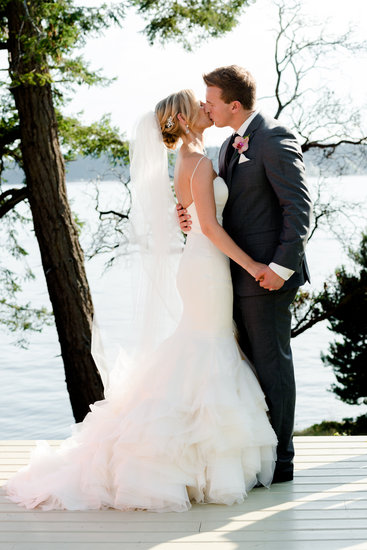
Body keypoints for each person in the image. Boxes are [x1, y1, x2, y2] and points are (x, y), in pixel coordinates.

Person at [5, 90, 277, 513]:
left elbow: (191, 217)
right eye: (198, 106)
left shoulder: (191, 160)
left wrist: (189, 222)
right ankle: (191, 462)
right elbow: (208, 226)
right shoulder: (199, 162)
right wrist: (254, 264)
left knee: (200, 348)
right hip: (206, 268)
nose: (207, 108)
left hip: (199, 264)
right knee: (208, 349)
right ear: (184, 120)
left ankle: (197, 458)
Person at [177, 66, 312, 483]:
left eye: (211, 101)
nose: (205, 107)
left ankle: (282, 462)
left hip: (266, 275)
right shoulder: (224, 147)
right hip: (231, 275)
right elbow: (219, 209)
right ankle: (257, 459)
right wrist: (189, 219)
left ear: (233, 105)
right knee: (248, 368)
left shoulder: (273, 138)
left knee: (272, 365)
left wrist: (280, 268)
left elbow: (299, 209)